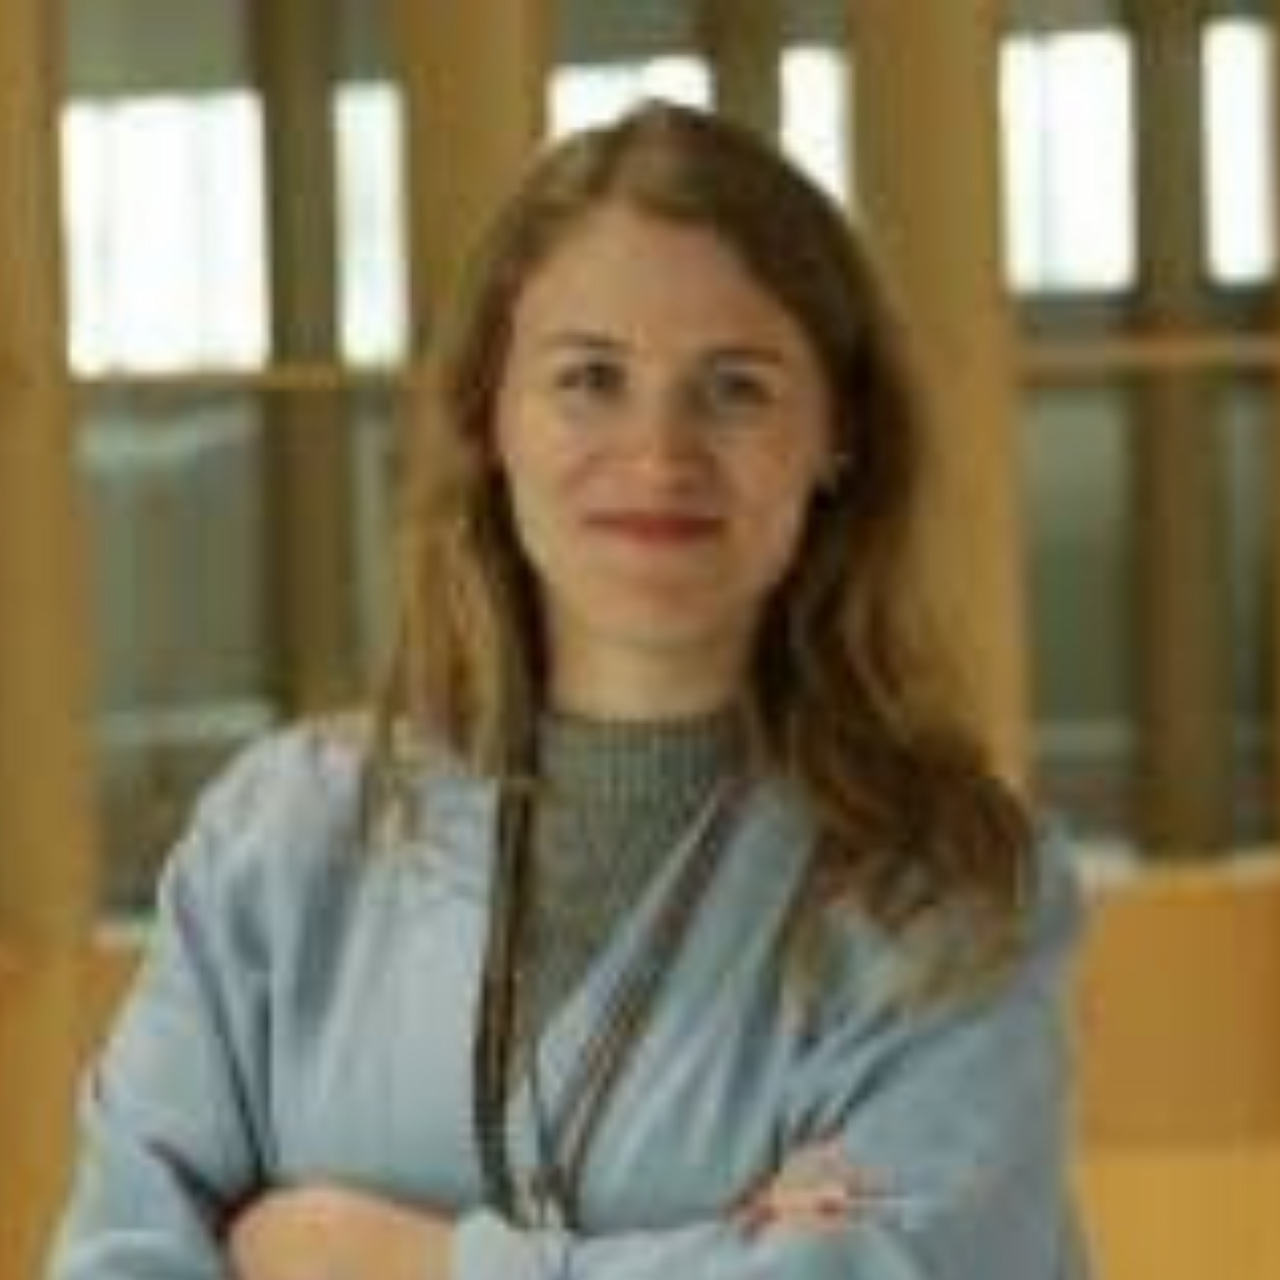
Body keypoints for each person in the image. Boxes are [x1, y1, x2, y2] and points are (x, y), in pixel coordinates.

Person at [49, 101, 1091, 1279]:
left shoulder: (947, 893)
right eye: (590, 377)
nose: (658, 455)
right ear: (488, 412)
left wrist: (410, 1262)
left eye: (735, 387)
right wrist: (719, 1252)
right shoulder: (281, 850)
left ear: (836, 432)